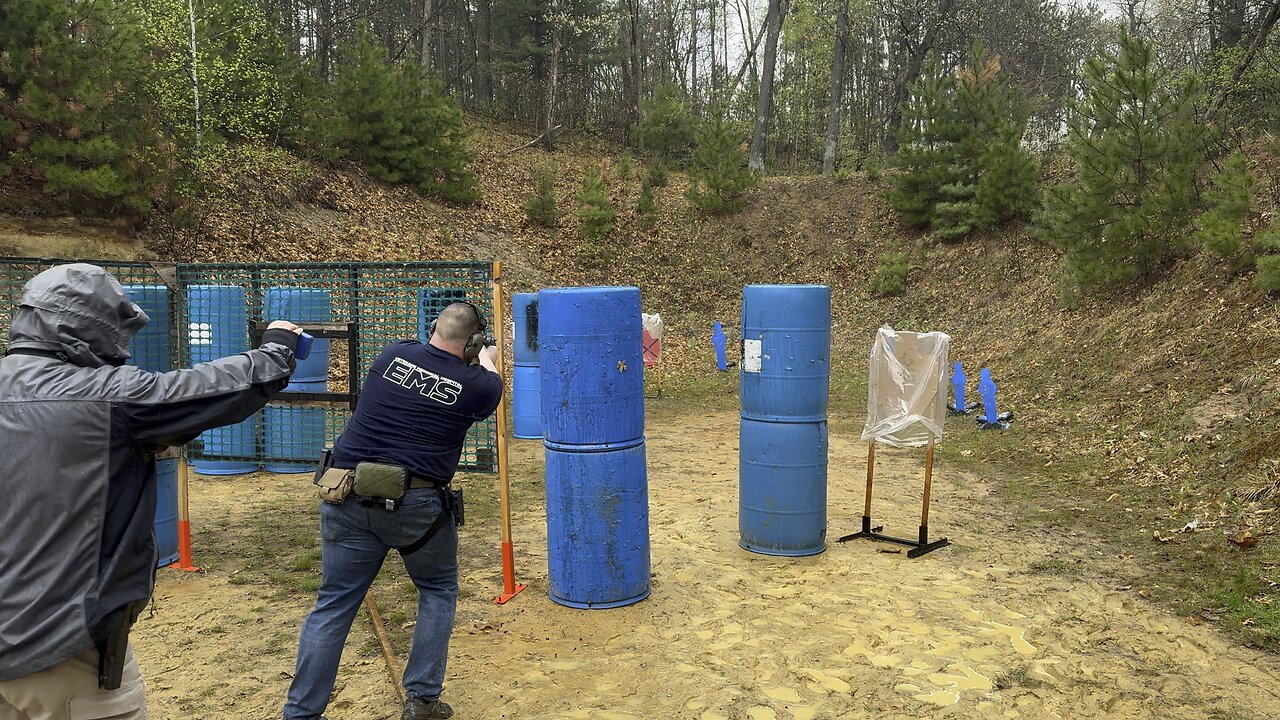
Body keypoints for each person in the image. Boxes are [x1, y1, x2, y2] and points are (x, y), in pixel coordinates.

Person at [0, 263, 304, 720]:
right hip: (64, 648)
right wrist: (277, 351)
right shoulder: (107, 398)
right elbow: (205, 390)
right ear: (93, 329)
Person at [285, 302, 502, 720]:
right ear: (473, 342)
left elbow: (422, 358)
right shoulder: (477, 383)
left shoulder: (391, 354)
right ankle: (422, 700)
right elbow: (492, 385)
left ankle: (300, 713)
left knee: (332, 606)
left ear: (434, 328)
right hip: (418, 505)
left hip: (346, 492)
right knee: (438, 592)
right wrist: (488, 358)